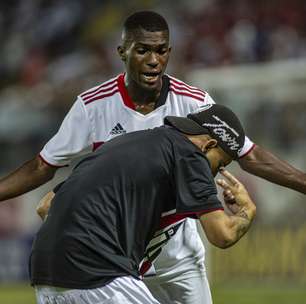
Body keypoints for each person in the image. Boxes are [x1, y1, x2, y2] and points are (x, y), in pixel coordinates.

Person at [0, 10, 306, 304]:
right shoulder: (93, 106)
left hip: (178, 258)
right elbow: (43, 165)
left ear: (170, 51)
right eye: (143, 51)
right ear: (122, 51)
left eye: (161, 51)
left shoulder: (194, 102)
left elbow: (248, 154)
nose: (153, 61)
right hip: (117, 254)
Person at [32, 104, 256, 304]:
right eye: (221, 163)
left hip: (45, 276)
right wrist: (247, 211)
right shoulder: (190, 155)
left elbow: (45, 205)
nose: (215, 172)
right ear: (209, 145)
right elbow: (222, 235)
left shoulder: (125, 142)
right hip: (99, 273)